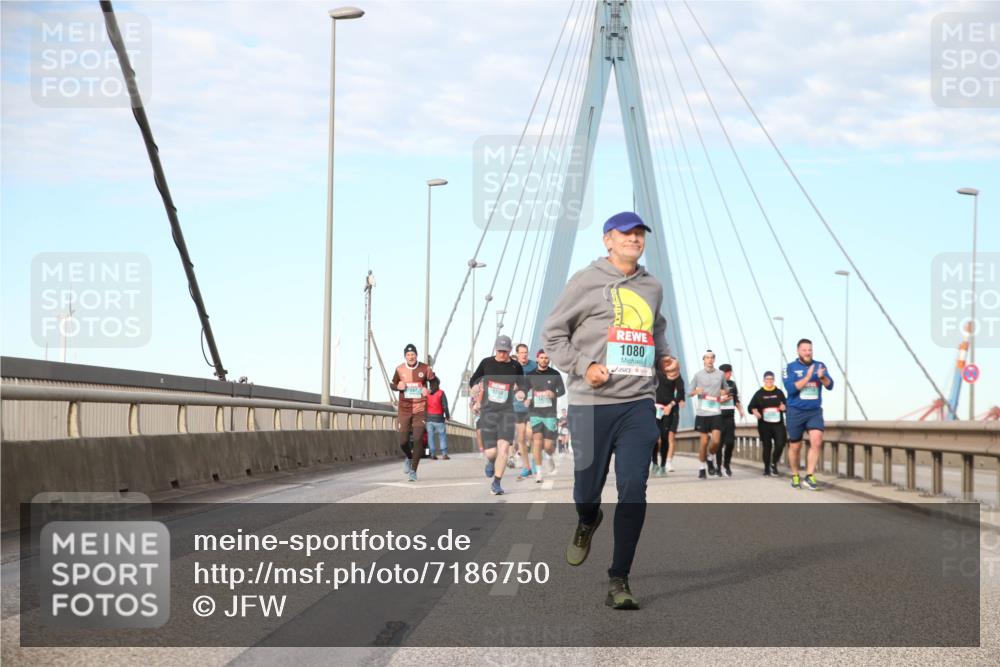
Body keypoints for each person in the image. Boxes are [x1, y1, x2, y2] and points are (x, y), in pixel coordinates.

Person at [542, 211, 679, 610]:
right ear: (608, 240)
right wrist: (584, 366)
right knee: (586, 492)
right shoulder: (585, 281)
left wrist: (666, 360)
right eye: (625, 234)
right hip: (591, 403)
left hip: (638, 402)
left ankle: (619, 578)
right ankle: (588, 519)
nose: (634, 239)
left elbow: (656, 331)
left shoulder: (652, 286)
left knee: (634, 488)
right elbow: (553, 335)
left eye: (639, 234)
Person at [469, 335, 528, 496]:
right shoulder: (486, 363)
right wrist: (475, 387)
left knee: (504, 448)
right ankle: (490, 461)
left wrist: (521, 392)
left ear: (510, 351)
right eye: (500, 351)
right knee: (491, 452)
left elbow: (523, 385)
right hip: (488, 412)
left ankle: (496, 483)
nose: (502, 354)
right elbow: (473, 380)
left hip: (506, 413)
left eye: (505, 351)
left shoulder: (515, 366)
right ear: (495, 349)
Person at [783, 339, 833, 490]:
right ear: (798, 351)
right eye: (804, 350)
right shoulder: (790, 367)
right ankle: (795, 475)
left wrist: (822, 377)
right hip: (795, 411)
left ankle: (810, 475)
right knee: (795, 446)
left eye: (810, 350)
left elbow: (830, 385)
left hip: (814, 411)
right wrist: (807, 377)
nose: (807, 352)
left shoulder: (820, 365)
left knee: (816, 440)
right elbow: (791, 389)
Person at [391, 344, 434, 482]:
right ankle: (409, 458)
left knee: (417, 439)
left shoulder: (425, 368)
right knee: (403, 441)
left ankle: (413, 471)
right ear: (405, 356)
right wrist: (398, 386)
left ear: (416, 355)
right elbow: (393, 384)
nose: (411, 357)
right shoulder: (399, 369)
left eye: (413, 354)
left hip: (420, 408)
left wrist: (429, 390)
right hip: (404, 409)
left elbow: (435, 383)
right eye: (408, 355)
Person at [527, 349, 566, 482]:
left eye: (546, 358)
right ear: (537, 359)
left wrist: (554, 393)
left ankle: (549, 456)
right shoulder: (530, 375)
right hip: (535, 412)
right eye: (541, 358)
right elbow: (524, 390)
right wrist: (524, 397)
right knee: (537, 441)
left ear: (549, 359)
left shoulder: (555, 374)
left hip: (550, 413)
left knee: (548, 446)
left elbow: (562, 390)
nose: (544, 360)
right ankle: (539, 472)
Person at [689, 350, 728, 479]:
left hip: (716, 412)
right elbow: (689, 392)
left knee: (716, 441)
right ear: (704, 360)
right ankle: (702, 468)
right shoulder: (698, 375)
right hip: (702, 413)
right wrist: (696, 391)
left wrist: (724, 392)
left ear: (714, 360)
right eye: (707, 358)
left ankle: (710, 457)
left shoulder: (720, 374)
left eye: (711, 357)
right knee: (704, 442)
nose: (710, 360)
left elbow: (726, 388)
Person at [747, 371, 787, 476]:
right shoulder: (759, 393)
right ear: (764, 380)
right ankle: (766, 468)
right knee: (767, 446)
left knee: (780, 444)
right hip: (764, 424)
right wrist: (754, 411)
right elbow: (750, 407)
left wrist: (784, 408)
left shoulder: (779, 393)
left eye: (771, 379)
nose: (769, 381)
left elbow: (786, 406)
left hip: (778, 423)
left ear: (774, 380)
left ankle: (773, 463)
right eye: (767, 379)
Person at [652, 362, 685, 476]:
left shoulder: (676, 375)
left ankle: (663, 465)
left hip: (668, 410)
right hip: (654, 409)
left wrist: (671, 405)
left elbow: (680, 393)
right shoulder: (654, 372)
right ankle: (654, 462)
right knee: (655, 438)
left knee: (665, 437)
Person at [512, 343, 538, 480]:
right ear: (517, 354)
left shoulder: (534, 365)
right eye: (521, 353)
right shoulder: (512, 366)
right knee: (521, 438)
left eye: (526, 352)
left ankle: (534, 462)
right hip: (517, 407)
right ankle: (526, 467)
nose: (524, 355)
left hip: (532, 405)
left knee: (531, 434)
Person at [714, 363, 744, 477]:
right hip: (718, 417)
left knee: (730, 442)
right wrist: (721, 400)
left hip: (730, 417)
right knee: (719, 443)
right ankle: (718, 466)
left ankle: (726, 464)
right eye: (727, 372)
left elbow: (735, 399)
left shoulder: (732, 384)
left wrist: (740, 410)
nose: (729, 374)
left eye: (730, 372)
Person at [425, 377, 451, 460]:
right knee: (442, 436)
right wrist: (447, 416)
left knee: (430, 436)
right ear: (438, 384)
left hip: (429, 419)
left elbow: (424, 406)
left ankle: (432, 454)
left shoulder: (426, 394)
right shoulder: (441, 393)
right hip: (439, 419)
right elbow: (445, 406)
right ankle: (444, 454)